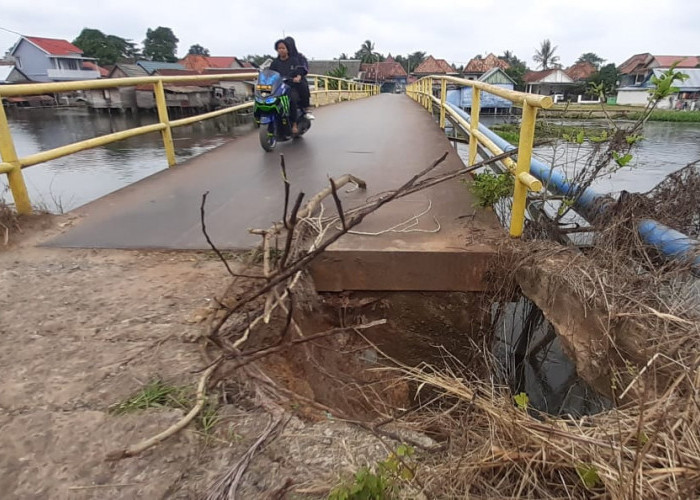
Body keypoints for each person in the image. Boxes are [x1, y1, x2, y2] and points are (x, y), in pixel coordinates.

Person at [269, 39, 307, 134]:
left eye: (283, 48)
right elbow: (270, 74)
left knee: (292, 100)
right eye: (279, 48)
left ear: (287, 49)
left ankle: (294, 124)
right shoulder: (275, 63)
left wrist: (297, 77)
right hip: (278, 87)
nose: (281, 50)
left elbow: (300, 70)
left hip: (290, 87)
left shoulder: (294, 60)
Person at [283, 37, 315, 121]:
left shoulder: (299, 57)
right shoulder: (280, 59)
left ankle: (306, 109)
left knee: (302, 85)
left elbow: (304, 67)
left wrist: (299, 75)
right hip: (284, 82)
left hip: (296, 81)